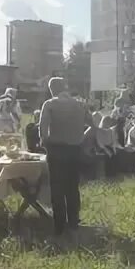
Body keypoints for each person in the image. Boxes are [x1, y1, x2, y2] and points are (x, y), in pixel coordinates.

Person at [39, 77, 95, 236]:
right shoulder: (80, 104)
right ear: (65, 87)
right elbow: (92, 124)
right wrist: (80, 138)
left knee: (57, 188)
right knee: (72, 187)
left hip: (56, 150)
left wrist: (45, 143)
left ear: (51, 90)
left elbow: (42, 130)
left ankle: (59, 225)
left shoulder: (49, 104)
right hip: (75, 149)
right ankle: (73, 221)